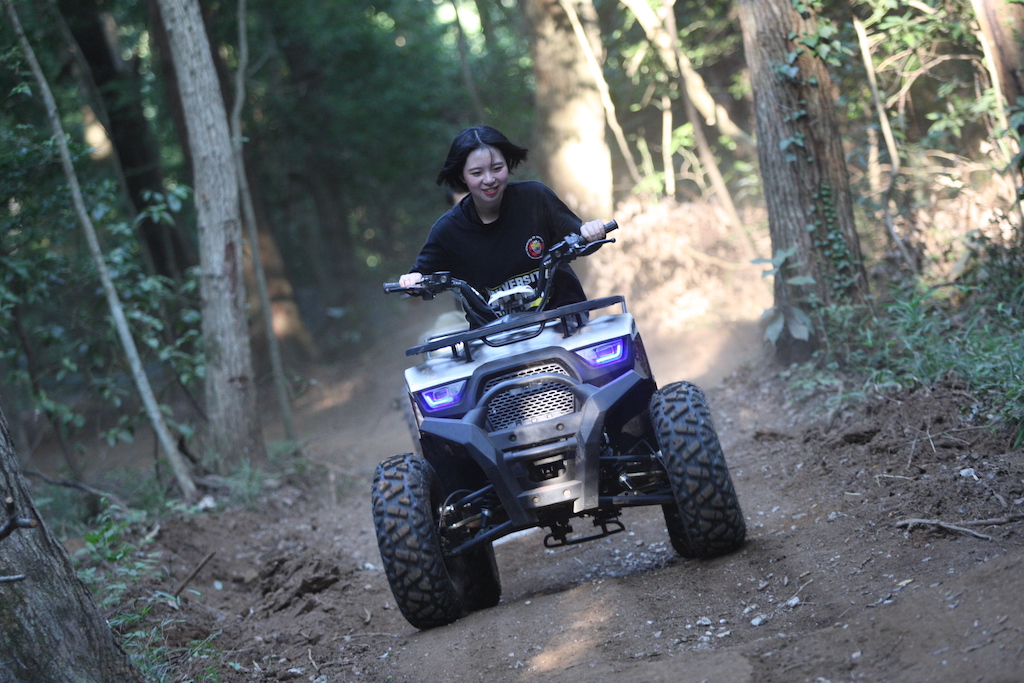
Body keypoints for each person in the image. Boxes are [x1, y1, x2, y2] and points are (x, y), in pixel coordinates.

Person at [398, 126, 607, 321]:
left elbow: (581, 239)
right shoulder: (448, 230)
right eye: (477, 173)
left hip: (563, 319)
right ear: (462, 176)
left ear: (507, 164)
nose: (489, 179)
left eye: (497, 168)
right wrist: (412, 282)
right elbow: (418, 281)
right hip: (494, 336)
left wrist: (592, 233)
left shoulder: (535, 197)